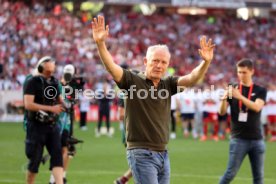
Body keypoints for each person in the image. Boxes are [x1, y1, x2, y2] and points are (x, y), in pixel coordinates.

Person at [92, 15, 215, 184]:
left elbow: (192, 78)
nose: (159, 65)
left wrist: (205, 62)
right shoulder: (132, 80)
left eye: (163, 62)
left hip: (163, 153)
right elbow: (112, 68)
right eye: (155, 61)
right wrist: (100, 43)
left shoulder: (168, 84)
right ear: (145, 61)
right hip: (141, 153)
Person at [218, 58, 267, 184]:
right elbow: (222, 112)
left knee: (259, 178)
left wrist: (240, 97)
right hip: (238, 139)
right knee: (230, 174)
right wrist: (223, 100)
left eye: (244, 72)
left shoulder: (260, 90)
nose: (241, 75)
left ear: (252, 72)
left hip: (257, 139)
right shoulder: (232, 88)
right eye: (239, 72)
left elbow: (256, 107)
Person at [24, 56, 64, 184]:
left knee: (58, 158)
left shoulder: (54, 82)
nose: (52, 63)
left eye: (53, 61)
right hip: (36, 126)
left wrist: (69, 101)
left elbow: (61, 102)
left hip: (52, 126)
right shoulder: (33, 82)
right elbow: (28, 104)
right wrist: (51, 109)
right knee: (35, 161)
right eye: (48, 61)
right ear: (41, 66)